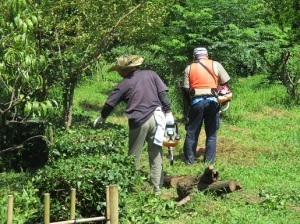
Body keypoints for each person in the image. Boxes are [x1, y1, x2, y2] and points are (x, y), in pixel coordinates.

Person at [93, 54, 174, 194]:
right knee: (156, 153)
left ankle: (132, 187)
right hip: (157, 118)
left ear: (125, 70)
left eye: (119, 70)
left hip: (139, 121)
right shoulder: (151, 74)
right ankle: (157, 188)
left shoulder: (124, 83)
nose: (118, 73)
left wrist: (102, 116)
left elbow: (110, 103)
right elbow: (163, 95)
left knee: (133, 156)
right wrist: (168, 112)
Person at [181, 47, 231, 165]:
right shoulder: (216, 65)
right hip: (212, 102)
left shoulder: (189, 68)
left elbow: (185, 89)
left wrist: (188, 105)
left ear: (194, 56)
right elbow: (225, 84)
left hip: (196, 102)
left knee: (192, 133)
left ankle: (189, 161)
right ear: (207, 55)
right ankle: (209, 162)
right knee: (212, 134)